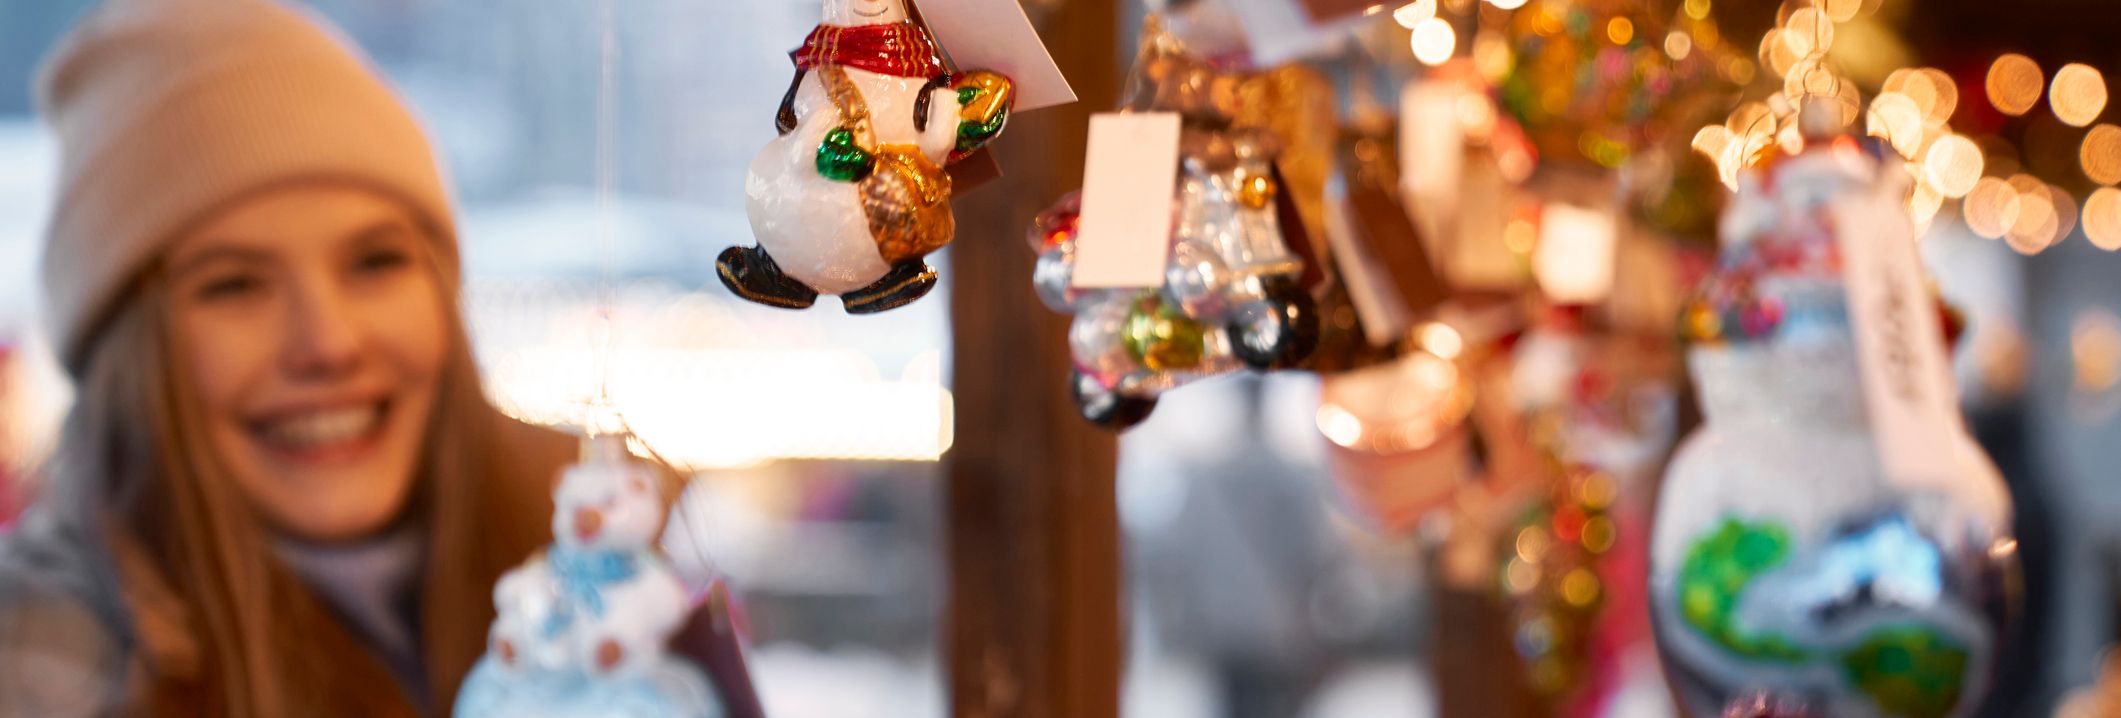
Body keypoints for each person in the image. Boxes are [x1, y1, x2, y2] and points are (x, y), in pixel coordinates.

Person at [0, 0, 758, 715]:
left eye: (374, 263)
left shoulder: (619, 556)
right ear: (128, 351)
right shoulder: (45, 668)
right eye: (233, 285)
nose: (328, 343)